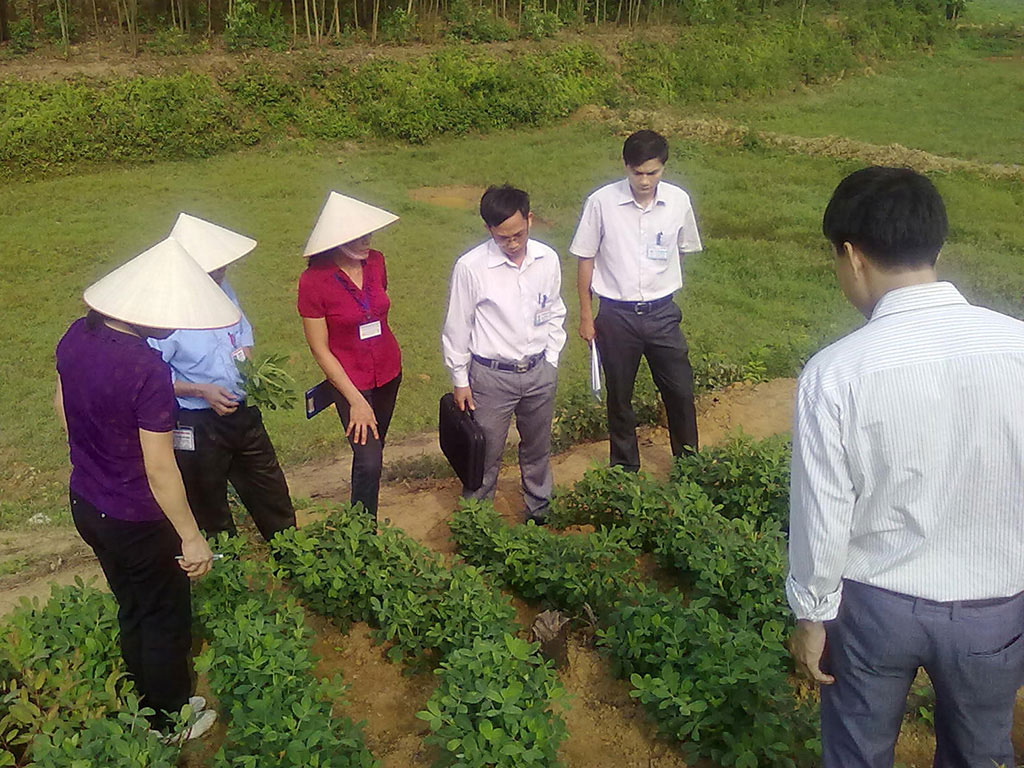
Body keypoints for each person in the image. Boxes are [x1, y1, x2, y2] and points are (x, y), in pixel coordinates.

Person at [786, 166, 1024, 767]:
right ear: (935, 245)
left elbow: (823, 511)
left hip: (875, 608)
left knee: (858, 751)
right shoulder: (1017, 347)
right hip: (994, 608)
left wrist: (812, 614)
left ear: (851, 255)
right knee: (979, 752)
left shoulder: (836, 373)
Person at [54, 237, 240, 741]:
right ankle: (171, 719)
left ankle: (147, 701)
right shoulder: (147, 369)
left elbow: (62, 408)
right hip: (138, 515)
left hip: (88, 501)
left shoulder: (75, 336)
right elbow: (160, 469)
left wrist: (99, 449)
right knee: (164, 614)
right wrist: (192, 537)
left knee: (132, 606)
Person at [149, 213, 296, 542]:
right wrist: (200, 391)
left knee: (271, 491)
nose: (221, 273)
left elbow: (242, 333)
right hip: (197, 422)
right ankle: (225, 574)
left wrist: (251, 369)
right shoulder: (164, 313)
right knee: (208, 503)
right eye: (212, 269)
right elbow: (151, 381)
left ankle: (291, 558)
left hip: (242, 411)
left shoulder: (222, 286)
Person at [570, 129, 703, 471]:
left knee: (680, 391)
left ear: (664, 168)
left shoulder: (678, 201)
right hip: (616, 316)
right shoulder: (601, 203)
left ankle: (688, 464)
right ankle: (625, 471)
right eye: (637, 173)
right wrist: (587, 315)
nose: (644, 181)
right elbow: (585, 257)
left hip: (662, 313)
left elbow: (683, 249)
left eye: (652, 173)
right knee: (619, 397)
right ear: (626, 167)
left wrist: (662, 282)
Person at [441, 185, 567, 523]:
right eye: (502, 238)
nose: (512, 244)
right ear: (488, 231)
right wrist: (460, 379)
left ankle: (539, 513)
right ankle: (475, 522)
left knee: (538, 450)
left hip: (539, 372)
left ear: (530, 219)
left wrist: (551, 358)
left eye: (518, 235)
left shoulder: (547, 259)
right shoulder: (471, 267)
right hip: (491, 379)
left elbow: (554, 310)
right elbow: (457, 326)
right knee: (483, 455)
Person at [298, 192, 402, 523]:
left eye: (368, 234)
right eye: (355, 237)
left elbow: (380, 305)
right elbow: (319, 347)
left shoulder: (377, 261)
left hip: (388, 371)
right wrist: (356, 401)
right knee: (369, 458)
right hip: (349, 381)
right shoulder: (313, 282)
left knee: (374, 450)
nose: (365, 241)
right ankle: (362, 532)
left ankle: (359, 521)